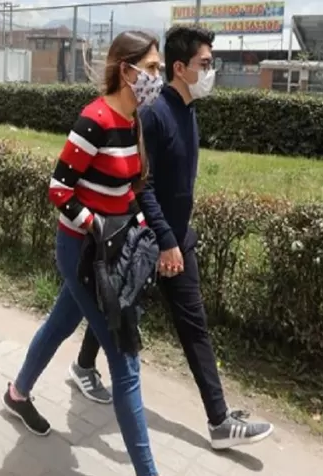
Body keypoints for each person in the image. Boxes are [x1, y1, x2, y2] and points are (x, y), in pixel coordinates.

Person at [2, 30, 205, 476]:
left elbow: (131, 189)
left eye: (159, 70)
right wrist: (95, 225)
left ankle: (16, 394)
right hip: (83, 252)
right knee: (125, 360)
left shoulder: (133, 121)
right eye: (152, 69)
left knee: (59, 324)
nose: (157, 78)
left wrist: (142, 233)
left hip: (110, 252)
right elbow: (59, 188)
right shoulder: (93, 120)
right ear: (126, 68)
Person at [68, 25, 274, 451]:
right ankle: (84, 366)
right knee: (123, 312)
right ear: (180, 68)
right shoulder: (154, 115)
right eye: (204, 63)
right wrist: (164, 241)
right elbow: (143, 186)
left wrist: (177, 239)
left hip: (177, 239)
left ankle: (219, 421)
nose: (210, 70)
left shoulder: (188, 109)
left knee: (189, 325)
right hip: (150, 241)